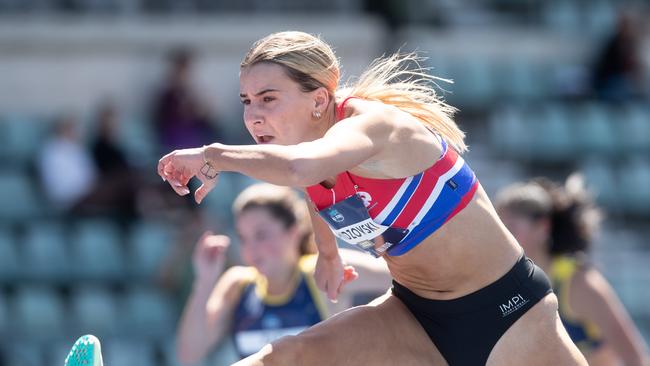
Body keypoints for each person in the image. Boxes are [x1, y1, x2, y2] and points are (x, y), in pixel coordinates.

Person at [154, 30, 587, 365]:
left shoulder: (372, 125)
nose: (253, 115)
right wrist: (326, 253)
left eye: (268, 99)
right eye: (247, 101)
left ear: (320, 99)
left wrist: (212, 155)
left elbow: (300, 169)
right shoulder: (310, 149)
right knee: (288, 357)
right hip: (415, 317)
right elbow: (313, 185)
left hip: (506, 314)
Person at [176, 183, 391, 364]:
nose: (251, 249)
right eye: (243, 238)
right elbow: (189, 355)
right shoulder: (238, 284)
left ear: (294, 232)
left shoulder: (321, 269)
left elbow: (410, 278)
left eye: (261, 235)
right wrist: (204, 281)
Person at [495, 175, 650, 366]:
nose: (504, 237)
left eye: (511, 226)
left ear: (542, 228)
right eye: (500, 228)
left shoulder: (580, 283)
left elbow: (636, 358)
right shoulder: (516, 286)